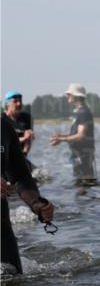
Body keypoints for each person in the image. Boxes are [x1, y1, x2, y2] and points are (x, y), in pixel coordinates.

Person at [2, 113, 56, 274]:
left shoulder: (4, 128)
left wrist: (36, 203)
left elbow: (20, 176)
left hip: (2, 230)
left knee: (14, 282)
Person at [49, 83, 97, 184]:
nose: (67, 96)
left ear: (76, 96)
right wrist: (60, 137)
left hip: (83, 156)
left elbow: (80, 136)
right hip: (79, 155)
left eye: (69, 94)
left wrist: (61, 139)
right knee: (83, 185)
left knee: (84, 185)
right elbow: (77, 134)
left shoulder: (83, 112)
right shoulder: (80, 112)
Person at [4, 91, 34, 159]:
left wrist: (25, 153)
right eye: (15, 101)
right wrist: (23, 138)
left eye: (20, 101)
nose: (19, 104)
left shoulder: (27, 118)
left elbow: (29, 140)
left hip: (21, 156)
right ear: (7, 104)